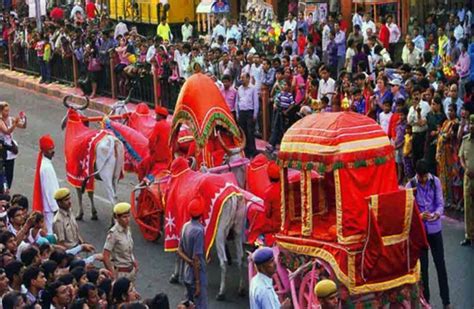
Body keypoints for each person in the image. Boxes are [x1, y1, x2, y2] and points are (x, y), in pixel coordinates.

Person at [406, 159, 451, 308]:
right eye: (421, 177)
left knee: (440, 265)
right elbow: (407, 212)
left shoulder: (435, 181)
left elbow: (440, 203)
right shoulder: (410, 185)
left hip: (435, 228)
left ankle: (446, 301)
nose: (424, 180)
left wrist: (437, 214)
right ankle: (427, 303)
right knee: (423, 269)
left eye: (425, 176)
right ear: (417, 175)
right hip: (421, 232)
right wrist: (419, 216)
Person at [177, 197, 207, 309]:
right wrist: (198, 282)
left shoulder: (185, 226)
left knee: (188, 303)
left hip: (186, 274)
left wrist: (188, 261)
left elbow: (179, 251)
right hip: (196, 275)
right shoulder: (199, 230)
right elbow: (196, 258)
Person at [103, 203, 137, 283]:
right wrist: (112, 274)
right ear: (117, 218)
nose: (127, 219)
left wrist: (134, 261)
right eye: (124, 217)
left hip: (131, 271)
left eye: (128, 216)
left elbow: (129, 249)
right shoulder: (113, 234)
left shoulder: (128, 230)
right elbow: (105, 256)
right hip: (120, 273)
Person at [32, 135, 59, 235]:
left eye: (53, 148)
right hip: (50, 209)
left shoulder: (46, 164)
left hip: (49, 207)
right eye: (50, 149)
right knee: (51, 233)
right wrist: (56, 209)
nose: (53, 151)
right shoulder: (46, 167)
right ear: (44, 150)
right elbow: (50, 191)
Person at [0, 102, 26, 191]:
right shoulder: (0, 121)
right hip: (2, 150)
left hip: (10, 150)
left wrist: (24, 119)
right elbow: (6, 131)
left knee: (9, 173)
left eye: (8, 110)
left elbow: (23, 126)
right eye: (5, 111)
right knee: (2, 173)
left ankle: (7, 190)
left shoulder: (11, 119)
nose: (7, 112)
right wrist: (14, 124)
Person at [458, 114, 474, 246]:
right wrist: (465, 168)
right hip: (468, 178)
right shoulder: (465, 140)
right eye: (471, 124)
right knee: (468, 206)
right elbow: (461, 157)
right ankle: (469, 235)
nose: (472, 126)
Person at [235, 73, 258, 158]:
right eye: (241, 77)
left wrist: (255, 113)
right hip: (242, 112)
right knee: (243, 132)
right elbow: (237, 102)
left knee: (250, 132)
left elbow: (255, 102)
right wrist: (237, 113)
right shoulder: (239, 89)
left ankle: (253, 151)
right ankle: (245, 152)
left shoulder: (253, 88)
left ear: (248, 78)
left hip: (249, 112)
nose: (241, 79)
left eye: (243, 77)